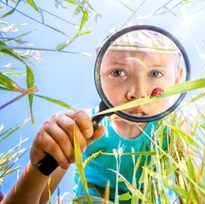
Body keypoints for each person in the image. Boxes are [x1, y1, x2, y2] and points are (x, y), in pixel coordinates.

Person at [2, 24, 184, 204]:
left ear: (177, 79)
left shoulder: (175, 130)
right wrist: (37, 170)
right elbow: (39, 199)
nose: (137, 93)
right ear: (99, 74)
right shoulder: (82, 127)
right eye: (118, 72)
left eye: (155, 73)